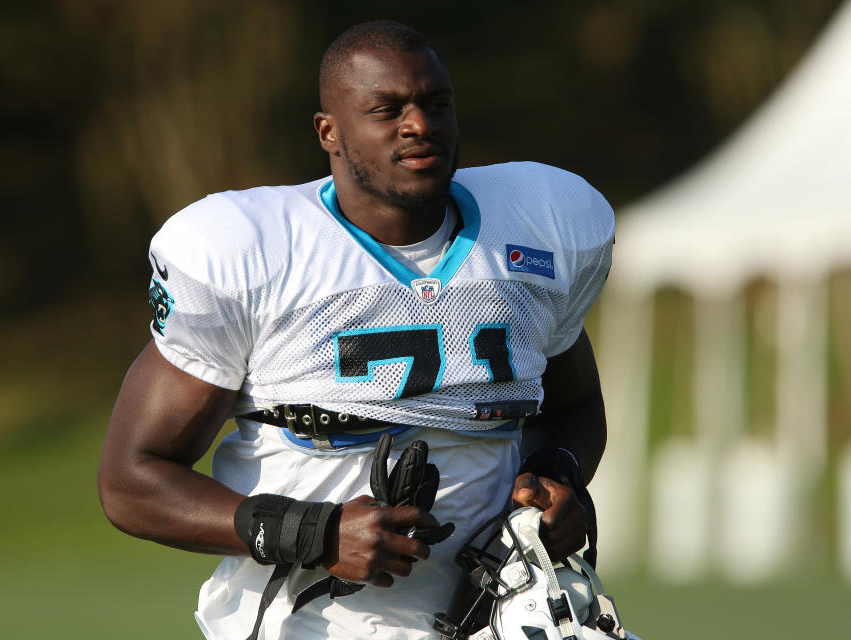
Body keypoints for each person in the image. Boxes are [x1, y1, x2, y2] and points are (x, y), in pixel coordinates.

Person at [98, 19, 613, 640]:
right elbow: (132, 481)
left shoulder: (538, 224)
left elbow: (573, 405)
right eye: (387, 109)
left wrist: (556, 482)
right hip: (310, 623)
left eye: (436, 104)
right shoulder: (251, 251)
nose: (419, 125)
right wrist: (309, 533)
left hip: (498, 618)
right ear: (329, 132)